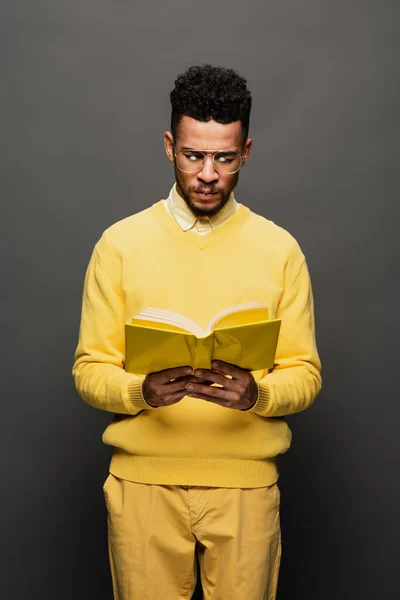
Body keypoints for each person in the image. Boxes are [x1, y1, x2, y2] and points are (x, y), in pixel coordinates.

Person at [72, 64, 322, 600]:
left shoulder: (280, 250)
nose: (207, 173)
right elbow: (89, 369)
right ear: (169, 146)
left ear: (246, 153)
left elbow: (305, 372)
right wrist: (139, 391)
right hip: (142, 485)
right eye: (193, 155)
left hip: (246, 488)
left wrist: (260, 394)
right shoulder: (118, 245)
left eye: (224, 158)